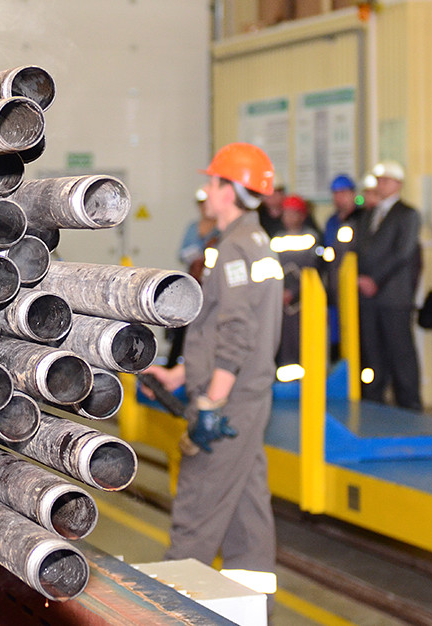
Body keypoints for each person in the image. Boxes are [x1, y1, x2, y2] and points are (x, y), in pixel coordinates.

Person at [144, 142, 283, 603]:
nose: (206, 191)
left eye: (213, 182)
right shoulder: (255, 243)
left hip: (230, 401)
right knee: (247, 512)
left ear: (231, 190)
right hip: (247, 396)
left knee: (197, 506)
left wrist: (211, 402)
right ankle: (252, 607)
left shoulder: (236, 249)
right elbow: (226, 330)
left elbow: (237, 331)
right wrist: (181, 376)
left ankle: (174, 607)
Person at [354, 160, 422, 410]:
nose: (380, 184)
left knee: (400, 353)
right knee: (373, 354)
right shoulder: (368, 215)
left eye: (385, 180)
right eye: (378, 180)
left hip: (394, 296)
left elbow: (402, 253)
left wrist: (375, 280)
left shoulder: (408, 214)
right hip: (368, 298)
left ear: (398, 184)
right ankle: (373, 404)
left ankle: (410, 405)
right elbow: (360, 250)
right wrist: (361, 277)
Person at [166, 188, 220, 366]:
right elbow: (182, 253)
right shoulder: (192, 228)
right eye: (201, 204)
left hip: (213, 284)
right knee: (184, 323)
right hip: (193, 281)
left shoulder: (221, 229)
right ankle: (173, 365)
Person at [272, 194, 322, 367]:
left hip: (304, 301)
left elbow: (313, 269)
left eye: (293, 213)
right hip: (282, 303)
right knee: (285, 344)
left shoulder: (311, 238)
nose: (289, 217)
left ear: (302, 215)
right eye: (286, 213)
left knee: (304, 340)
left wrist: (293, 292)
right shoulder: (277, 239)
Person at [321, 174, 362, 360]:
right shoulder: (331, 222)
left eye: (343, 193)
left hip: (356, 292)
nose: (339, 198)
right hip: (334, 290)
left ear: (353, 194)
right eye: (336, 194)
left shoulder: (362, 219)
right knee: (337, 344)